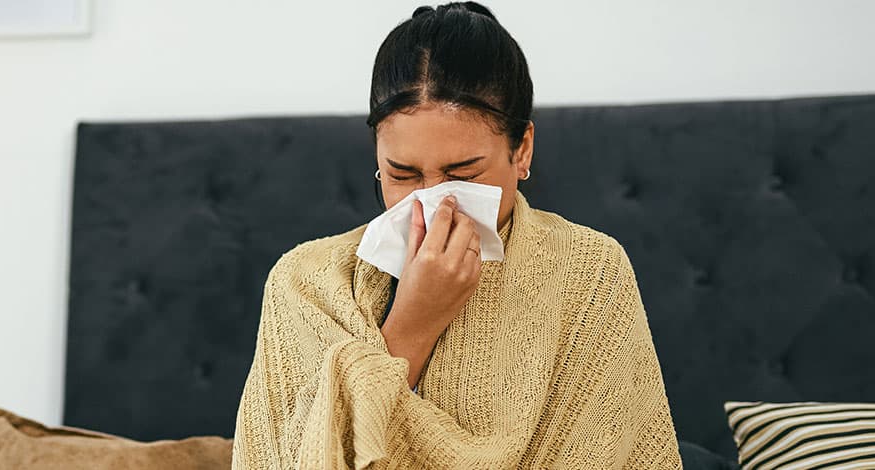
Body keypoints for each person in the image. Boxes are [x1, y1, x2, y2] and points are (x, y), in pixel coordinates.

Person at [232, 3, 681, 468]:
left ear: (522, 150)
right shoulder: (304, 283)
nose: (434, 202)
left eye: (463, 174)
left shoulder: (589, 271)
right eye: (402, 174)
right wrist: (413, 323)